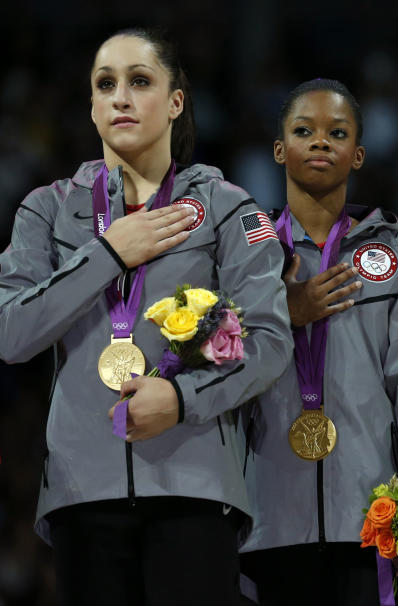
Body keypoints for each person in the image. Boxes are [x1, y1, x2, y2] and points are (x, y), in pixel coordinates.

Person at [0, 29, 292, 605]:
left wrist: (182, 400)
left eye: (140, 81)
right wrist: (109, 253)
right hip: (83, 493)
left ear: (176, 101)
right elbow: (10, 333)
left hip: (196, 487)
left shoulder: (225, 206)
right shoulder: (49, 208)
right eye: (105, 85)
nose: (121, 98)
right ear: (90, 105)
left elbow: (269, 341)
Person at [239, 78, 398, 606]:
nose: (320, 142)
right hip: (265, 519)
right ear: (278, 149)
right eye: (303, 131)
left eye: (337, 132)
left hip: (370, 518)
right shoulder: (245, 255)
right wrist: (279, 310)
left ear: (357, 155)